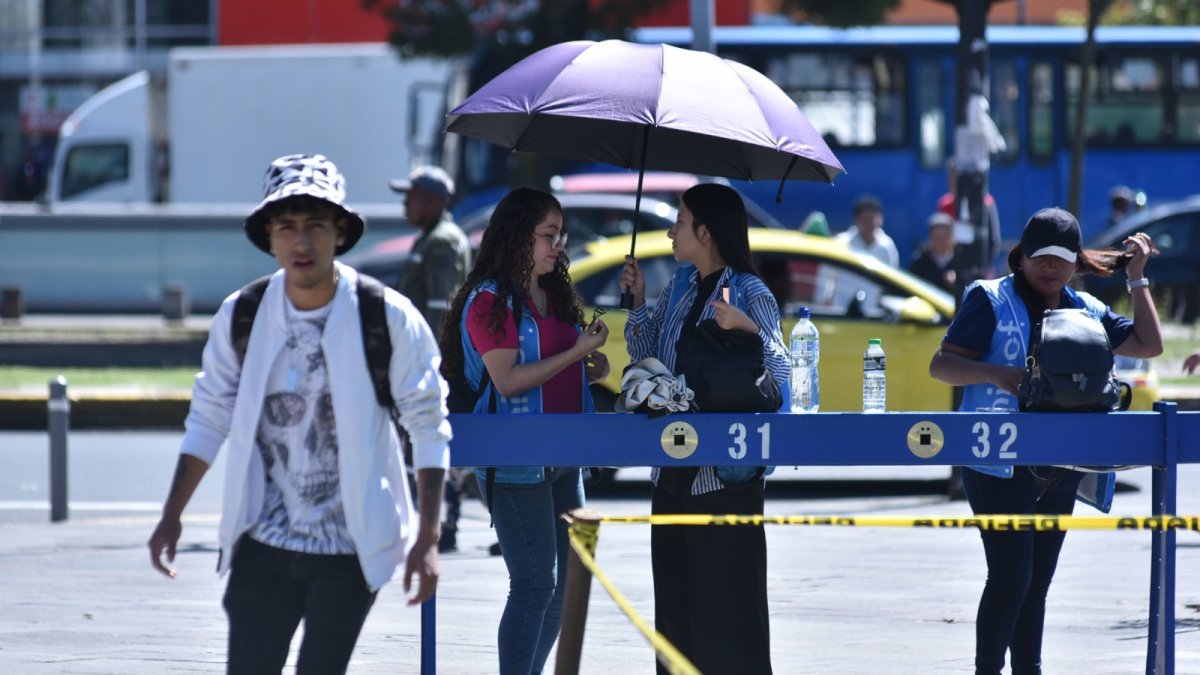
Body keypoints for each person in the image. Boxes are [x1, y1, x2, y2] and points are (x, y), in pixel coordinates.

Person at [147, 154, 450, 674]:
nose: (302, 241)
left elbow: (428, 424)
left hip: (348, 549)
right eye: (287, 226)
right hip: (261, 543)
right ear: (269, 236)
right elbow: (210, 416)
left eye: (316, 225)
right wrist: (172, 513)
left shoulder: (386, 316)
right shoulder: (242, 315)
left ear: (340, 232)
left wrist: (428, 536)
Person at [929, 207, 1162, 675]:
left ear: (1076, 262)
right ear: (1021, 257)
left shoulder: (1087, 310)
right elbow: (941, 366)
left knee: (1036, 583)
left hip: (1061, 465)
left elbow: (1148, 344)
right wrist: (995, 374)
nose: (1050, 267)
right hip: (996, 462)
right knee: (1011, 576)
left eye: (1062, 258)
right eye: (1041, 257)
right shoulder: (990, 299)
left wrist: (1136, 279)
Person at [620, 183, 789, 674]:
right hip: (671, 472)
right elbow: (649, 358)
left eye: (680, 221)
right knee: (676, 615)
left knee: (728, 616)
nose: (671, 231)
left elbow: (783, 376)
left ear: (707, 232)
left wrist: (748, 329)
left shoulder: (750, 291)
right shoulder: (680, 285)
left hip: (725, 477)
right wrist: (637, 302)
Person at [439, 187, 609, 675]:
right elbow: (508, 380)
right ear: (518, 235)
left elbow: (552, 366)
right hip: (515, 463)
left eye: (561, 235)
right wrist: (576, 353)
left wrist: (587, 368)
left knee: (565, 591)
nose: (559, 245)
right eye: (548, 235)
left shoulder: (553, 293)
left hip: (565, 458)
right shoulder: (489, 301)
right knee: (534, 586)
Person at [390, 165, 473, 553]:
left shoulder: (442, 242)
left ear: (433, 200)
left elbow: (441, 310)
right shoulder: (432, 237)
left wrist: (430, 365)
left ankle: (442, 523)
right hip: (424, 358)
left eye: (412, 197)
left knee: (433, 439)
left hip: (432, 360)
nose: (405, 204)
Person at [837, 193, 899, 267]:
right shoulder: (841, 242)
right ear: (856, 219)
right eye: (866, 219)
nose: (871, 224)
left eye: (873, 219)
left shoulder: (887, 246)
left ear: (881, 220)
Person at [909, 211, 959, 296]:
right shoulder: (920, 261)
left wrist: (958, 283)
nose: (941, 241)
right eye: (937, 236)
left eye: (945, 236)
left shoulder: (960, 261)